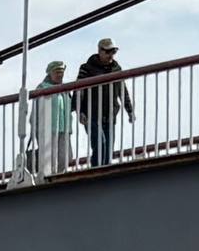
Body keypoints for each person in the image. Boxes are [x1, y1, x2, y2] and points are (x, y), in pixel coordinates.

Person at [75, 38, 134, 169]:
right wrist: (80, 111)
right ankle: (96, 171)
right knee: (99, 144)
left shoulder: (116, 69)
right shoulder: (86, 68)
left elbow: (122, 91)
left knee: (108, 149)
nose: (110, 55)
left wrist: (129, 110)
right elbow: (79, 90)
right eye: (107, 52)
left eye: (113, 51)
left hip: (110, 114)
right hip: (91, 114)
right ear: (100, 51)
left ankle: (105, 171)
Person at [35, 60, 74, 178]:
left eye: (62, 72)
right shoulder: (42, 88)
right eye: (57, 72)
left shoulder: (65, 89)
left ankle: (60, 176)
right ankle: (51, 177)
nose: (60, 75)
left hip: (64, 128)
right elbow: (36, 110)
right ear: (50, 73)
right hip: (49, 128)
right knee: (50, 158)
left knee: (65, 157)